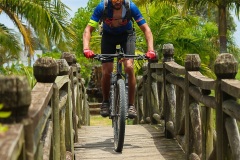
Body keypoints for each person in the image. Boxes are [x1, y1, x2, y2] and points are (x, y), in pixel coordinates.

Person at [83, 0, 156, 119]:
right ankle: (105, 102)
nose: (117, 1)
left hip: (127, 36)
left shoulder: (130, 7)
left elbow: (146, 29)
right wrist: (86, 48)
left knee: (129, 66)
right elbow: (88, 29)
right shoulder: (102, 7)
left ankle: (131, 105)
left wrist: (151, 50)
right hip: (108, 37)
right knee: (107, 70)